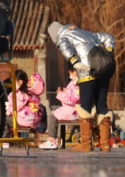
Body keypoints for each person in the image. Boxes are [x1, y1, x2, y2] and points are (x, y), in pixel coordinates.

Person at [49, 21, 116, 153]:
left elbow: (63, 45)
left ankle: (86, 144)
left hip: (87, 71)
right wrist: (109, 53)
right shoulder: (89, 34)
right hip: (105, 70)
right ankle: (105, 145)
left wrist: (74, 62)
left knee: (85, 107)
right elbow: (109, 36)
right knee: (102, 106)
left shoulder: (64, 36)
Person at [6, 70, 46, 143]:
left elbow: (16, 107)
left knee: (4, 120)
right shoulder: (32, 92)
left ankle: (5, 141)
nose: (11, 85)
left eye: (13, 82)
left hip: (24, 120)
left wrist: (7, 112)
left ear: (20, 82)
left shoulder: (19, 93)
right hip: (34, 122)